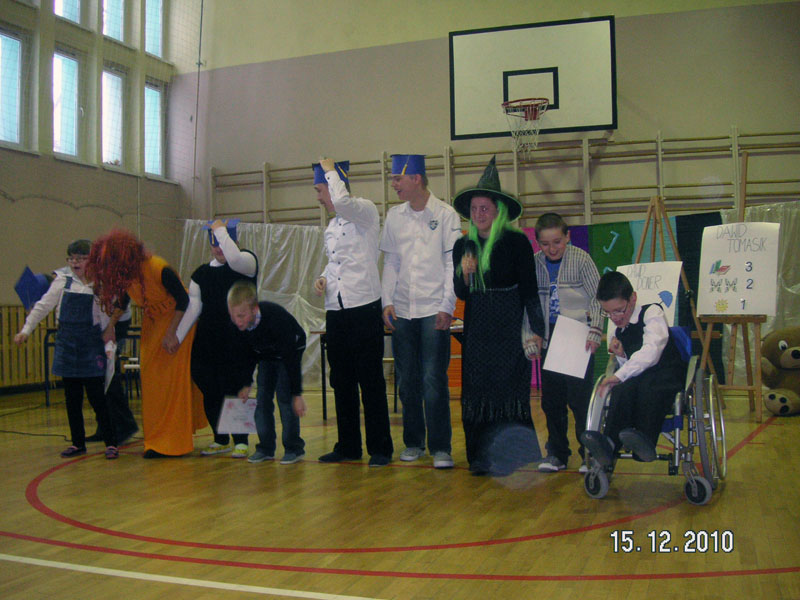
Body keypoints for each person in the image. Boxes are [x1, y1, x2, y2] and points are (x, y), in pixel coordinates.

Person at [452, 156, 545, 475]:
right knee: (478, 388)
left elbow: (529, 290)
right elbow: (461, 293)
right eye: (474, 209)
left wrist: (537, 329)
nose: (479, 214)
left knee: (508, 388)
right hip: (478, 326)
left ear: (498, 211)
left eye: (485, 208)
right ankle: (479, 456)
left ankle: (512, 454)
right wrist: (465, 275)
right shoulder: (463, 245)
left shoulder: (517, 243)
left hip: (509, 323)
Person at [88, 229, 206, 458]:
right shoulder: (127, 275)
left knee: (170, 381)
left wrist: (173, 334)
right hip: (153, 323)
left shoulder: (158, 268)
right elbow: (123, 301)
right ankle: (156, 439)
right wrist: (110, 326)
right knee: (151, 382)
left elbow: (184, 300)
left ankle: (173, 441)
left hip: (178, 321)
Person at [380, 153, 461, 469]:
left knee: (433, 379)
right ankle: (413, 442)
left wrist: (447, 305)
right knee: (407, 380)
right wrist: (387, 301)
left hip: (432, 308)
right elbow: (391, 261)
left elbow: (452, 263)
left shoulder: (446, 214)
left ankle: (441, 447)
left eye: (397, 178)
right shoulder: (394, 216)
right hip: (402, 309)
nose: (393, 184)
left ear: (416, 178)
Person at [312, 158, 394, 467]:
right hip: (337, 308)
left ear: (335, 186)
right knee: (341, 380)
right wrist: (323, 278)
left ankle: (380, 448)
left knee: (370, 380)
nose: (318, 197)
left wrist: (330, 171)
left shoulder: (364, 211)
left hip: (363, 306)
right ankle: (348, 445)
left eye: (320, 189)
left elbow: (343, 202)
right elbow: (336, 263)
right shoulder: (332, 226)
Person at [14, 240, 118, 459]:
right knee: (72, 399)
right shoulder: (62, 281)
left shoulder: (100, 285)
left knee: (97, 398)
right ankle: (77, 443)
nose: (74, 262)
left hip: (90, 346)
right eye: (71, 258)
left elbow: (105, 319)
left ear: (92, 260)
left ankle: (111, 443)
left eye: (80, 258)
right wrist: (26, 330)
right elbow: (42, 306)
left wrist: (109, 345)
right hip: (67, 346)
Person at [580, 271, 686, 466]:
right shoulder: (617, 328)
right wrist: (621, 356)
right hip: (640, 376)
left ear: (633, 298)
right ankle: (609, 445)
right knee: (622, 391)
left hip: (667, 373)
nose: (614, 318)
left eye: (619, 310)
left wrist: (619, 375)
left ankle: (645, 441)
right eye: (607, 313)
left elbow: (651, 352)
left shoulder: (652, 313)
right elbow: (630, 367)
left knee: (648, 387)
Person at [176, 219, 258, 459]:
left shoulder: (246, 263)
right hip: (208, 340)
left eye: (222, 244)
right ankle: (220, 438)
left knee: (235, 387)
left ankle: (241, 440)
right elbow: (194, 307)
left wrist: (221, 231)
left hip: (238, 339)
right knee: (210, 388)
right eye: (214, 245)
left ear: (232, 240)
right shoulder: (201, 274)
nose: (218, 249)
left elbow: (234, 258)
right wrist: (177, 337)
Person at [533, 213, 602, 474]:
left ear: (568, 237)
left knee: (580, 400)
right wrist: (531, 334)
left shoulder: (582, 259)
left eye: (557, 242)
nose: (552, 249)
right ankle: (557, 453)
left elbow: (598, 298)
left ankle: (589, 454)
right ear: (538, 243)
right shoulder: (535, 263)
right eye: (545, 244)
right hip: (550, 339)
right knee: (552, 401)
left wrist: (595, 330)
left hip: (577, 336)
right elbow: (530, 303)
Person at [226, 281, 307, 463]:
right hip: (266, 353)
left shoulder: (276, 319)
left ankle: (294, 448)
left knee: (285, 398)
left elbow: (291, 359)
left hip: (290, 350)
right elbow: (246, 356)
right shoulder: (237, 327)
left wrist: (297, 394)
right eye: (233, 316)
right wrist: (246, 383)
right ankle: (266, 447)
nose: (237, 321)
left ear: (254, 309)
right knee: (262, 399)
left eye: (241, 315)